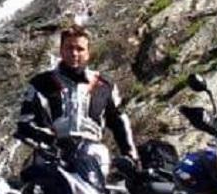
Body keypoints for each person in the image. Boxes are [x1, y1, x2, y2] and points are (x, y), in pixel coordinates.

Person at [16, 24, 139, 163]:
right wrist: (46, 138)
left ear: (88, 53)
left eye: (80, 49)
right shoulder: (40, 83)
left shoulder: (104, 86)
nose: (74, 53)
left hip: (93, 154)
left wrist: (131, 157)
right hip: (52, 153)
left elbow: (119, 123)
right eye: (69, 48)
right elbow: (25, 121)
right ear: (61, 50)